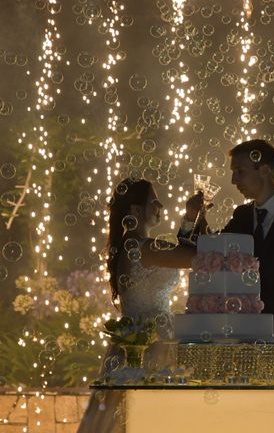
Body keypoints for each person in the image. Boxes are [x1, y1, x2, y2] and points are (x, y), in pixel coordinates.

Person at [180, 139, 274, 339]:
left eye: (239, 171)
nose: (233, 181)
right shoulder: (242, 215)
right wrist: (191, 219)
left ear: (265, 170)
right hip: (239, 336)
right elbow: (206, 254)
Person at [77, 178, 196, 433]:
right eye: (154, 201)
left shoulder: (128, 248)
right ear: (135, 211)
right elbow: (193, 257)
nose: (160, 205)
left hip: (132, 344)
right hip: (150, 347)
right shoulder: (145, 249)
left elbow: (182, 252)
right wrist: (190, 217)